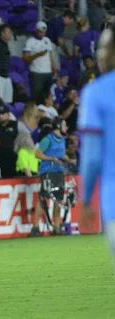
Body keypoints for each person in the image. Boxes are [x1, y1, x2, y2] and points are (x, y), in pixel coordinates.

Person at [79, 22, 115, 264]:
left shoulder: (97, 91)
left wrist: (85, 199)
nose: (99, 54)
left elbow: (91, 157)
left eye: (104, 46)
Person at [29, 118, 71, 237]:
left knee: (58, 200)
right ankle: (36, 227)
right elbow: (37, 154)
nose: (66, 128)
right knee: (44, 198)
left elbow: (61, 154)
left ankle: (56, 227)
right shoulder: (47, 139)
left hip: (59, 172)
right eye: (64, 125)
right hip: (48, 172)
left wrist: (67, 158)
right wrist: (51, 159)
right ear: (58, 126)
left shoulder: (62, 140)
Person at [23, 21, 57, 102]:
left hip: (48, 72)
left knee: (47, 96)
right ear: (36, 30)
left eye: (44, 32)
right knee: (36, 96)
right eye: (41, 32)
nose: (43, 34)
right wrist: (37, 55)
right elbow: (25, 59)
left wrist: (54, 70)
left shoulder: (47, 40)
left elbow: (50, 56)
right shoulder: (30, 42)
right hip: (36, 72)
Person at [0, 104, 19, 178]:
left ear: (8, 114)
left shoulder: (16, 125)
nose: (0, 116)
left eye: (3, 114)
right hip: (1, 160)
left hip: (15, 159)